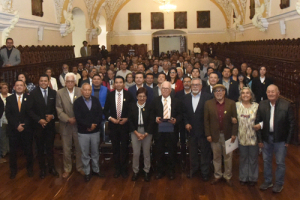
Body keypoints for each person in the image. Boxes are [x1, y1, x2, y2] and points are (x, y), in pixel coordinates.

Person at [254, 85, 294, 193]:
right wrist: (260, 140)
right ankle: (268, 181)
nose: (271, 94)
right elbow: (257, 122)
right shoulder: (262, 105)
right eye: (269, 92)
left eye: (273, 92)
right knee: (266, 161)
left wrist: (288, 141)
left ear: (278, 93)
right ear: (266, 93)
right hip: (266, 138)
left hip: (281, 140)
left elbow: (291, 124)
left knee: (280, 162)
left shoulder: (286, 105)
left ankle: (279, 184)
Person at [204, 84, 238, 186]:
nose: (219, 93)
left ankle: (228, 176)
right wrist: (208, 134)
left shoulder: (231, 103)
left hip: (228, 135)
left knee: (228, 157)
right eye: (216, 91)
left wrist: (234, 134)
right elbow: (206, 121)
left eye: (221, 90)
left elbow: (235, 120)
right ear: (214, 93)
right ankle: (217, 175)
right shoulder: (208, 104)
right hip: (214, 135)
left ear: (224, 92)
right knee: (216, 157)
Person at [28, 75, 58, 179]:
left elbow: (56, 108)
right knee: (40, 149)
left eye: (45, 81)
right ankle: (42, 169)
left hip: (50, 126)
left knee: (50, 148)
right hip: (38, 126)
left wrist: (52, 116)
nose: (43, 83)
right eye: (41, 81)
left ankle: (51, 167)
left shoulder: (54, 93)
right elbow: (30, 110)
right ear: (39, 82)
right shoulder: (33, 94)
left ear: (48, 81)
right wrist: (39, 120)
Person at [103, 76, 133, 179]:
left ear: (123, 84)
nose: (119, 84)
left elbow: (132, 110)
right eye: (117, 82)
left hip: (125, 126)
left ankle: (124, 169)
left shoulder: (129, 95)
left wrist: (127, 118)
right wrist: (111, 119)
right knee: (115, 148)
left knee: (124, 148)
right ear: (114, 84)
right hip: (113, 126)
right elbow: (105, 110)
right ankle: (117, 169)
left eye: (121, 82)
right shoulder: (110, 95)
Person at [150, 81, 181, 180]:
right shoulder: (155, 100)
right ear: (160, 89)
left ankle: (171, 171)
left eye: (167, 88)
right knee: (159, 151)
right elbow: (150, 114)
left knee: (172, 151)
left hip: (172, 130)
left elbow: (181, 114)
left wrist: (176, 120)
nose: (165, 90)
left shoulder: (176, 101)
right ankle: (160, 171)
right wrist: (155, 119)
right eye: (163, 88)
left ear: (170, 90)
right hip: (159, 130)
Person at [73, 83, 104, 182]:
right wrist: (88, 126)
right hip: (83, 132)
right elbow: (78, 117)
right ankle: (87, 172)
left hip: (95, 132)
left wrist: (94, 125)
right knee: (85, 153)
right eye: (85, 90)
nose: (87, 92)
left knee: (95, 152)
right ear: (81, 91)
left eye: (89, 90)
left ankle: (96, 170)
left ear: (91, 91)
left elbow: (99, 114)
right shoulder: (77, 102)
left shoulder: (95, 100)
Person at [56, 73, 83, 178]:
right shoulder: (59, 93)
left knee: (79, 148)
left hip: (78, 125)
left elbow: (83, 107)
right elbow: (58, 109)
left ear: (75, 82)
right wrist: (68, 119)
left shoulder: (80, 91)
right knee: (66, 149)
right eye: (68, 81)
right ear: (65, 82)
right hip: (65, 125)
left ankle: (80, 167)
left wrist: (78, 118)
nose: (70, 83)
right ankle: (67, 168)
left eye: (72, 81)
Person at [183, 78, 212, 180]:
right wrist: (186, 123)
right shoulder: (185, 98)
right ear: (190, 86)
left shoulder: (208, 97)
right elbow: (184, 113)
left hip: (204, 130)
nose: (195, 87)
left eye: (197, 85)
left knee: (205, 152)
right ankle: (194, 170)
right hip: (191, 130)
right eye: (193, 85)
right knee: (193, 152)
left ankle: (205, 172)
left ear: (201, 86)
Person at [5, 80, 33, 179]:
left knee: (28, 150)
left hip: (27, 130)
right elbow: (8, 115)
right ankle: (13, 170)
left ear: (24, 87)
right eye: (17, 85)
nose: (19, 87)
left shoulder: (29, 98)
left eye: (21, 85)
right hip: (13, 130)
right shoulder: (9, 99)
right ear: (14, 87)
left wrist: (23, 126)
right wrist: (17, 125)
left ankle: (30, 169)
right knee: (13, 152)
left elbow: (30, 114)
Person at [235, 87, 259, 186]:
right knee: (243, 158)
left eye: (247, 93)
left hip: (254, 137)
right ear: (240, 95)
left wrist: (260, 125)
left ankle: (253, 178)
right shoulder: (236, 105)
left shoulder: (257, 106)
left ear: (251, 95)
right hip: (241, 137)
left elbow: (262, 119)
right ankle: (243, 177)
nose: (245, 95)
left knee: (253, 158)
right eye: (243, 93)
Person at [128, 88, 152, 182]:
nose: (142, 98)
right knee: (136, 153)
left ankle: (146, 170)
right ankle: (135, 171)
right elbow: (129, 121)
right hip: (135, 131)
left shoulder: (150, 106)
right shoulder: (131, 106)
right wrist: (137, 133)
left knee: (146, 153)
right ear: (136, 96)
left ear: (146, 97)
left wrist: (145, 134)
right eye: (140, 96)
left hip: (147, 132)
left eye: (144, 96)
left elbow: (151, 121)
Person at [0, 83, 11, 161]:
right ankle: (4, 151)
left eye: (6, 87)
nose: (6, 89)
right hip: (2, 119)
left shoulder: (11, 96)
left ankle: (10, 150)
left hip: (10, 119)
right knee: (3, 135)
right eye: (4, 88)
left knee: (10, 135)